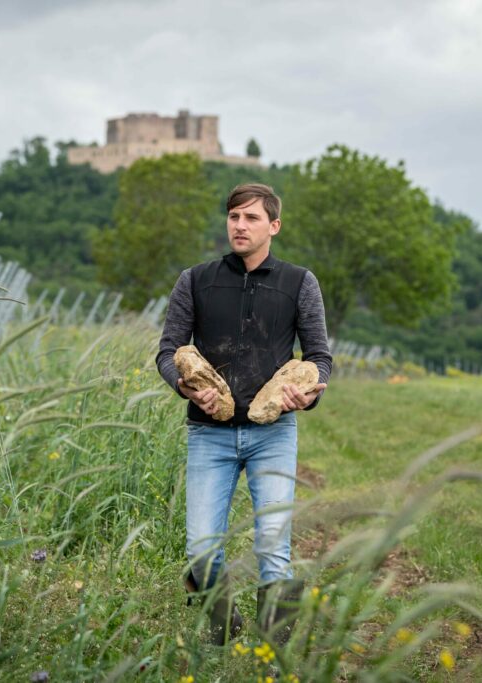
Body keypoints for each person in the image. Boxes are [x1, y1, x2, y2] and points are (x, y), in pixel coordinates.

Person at [156, 183, 333, 644]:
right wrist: (185, 387)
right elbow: (167, 352)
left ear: (273, 226)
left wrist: (307, 395)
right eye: (234, 216)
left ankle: (275, 655)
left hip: (273, 432)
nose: (240, 225)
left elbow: (320, 357)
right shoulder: (195, 279)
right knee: (201, 550)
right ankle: (224, 636)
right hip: (208, 434)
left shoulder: (299, 282)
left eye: (251, 218)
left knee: (274, 545)